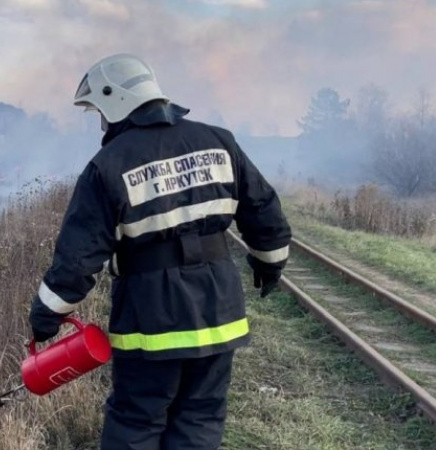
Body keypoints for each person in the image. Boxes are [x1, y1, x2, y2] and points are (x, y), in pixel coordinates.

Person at [27, 54, 292, 450]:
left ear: (114, 99)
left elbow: (78, 258)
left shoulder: (108, 165)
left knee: (136, 421)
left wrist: (46, 317)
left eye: (100, 112)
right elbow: (264, 211)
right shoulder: (219, 142)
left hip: (149, 317)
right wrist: (270, 265)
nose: (102, 123)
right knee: (200, 418)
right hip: (218, 309)